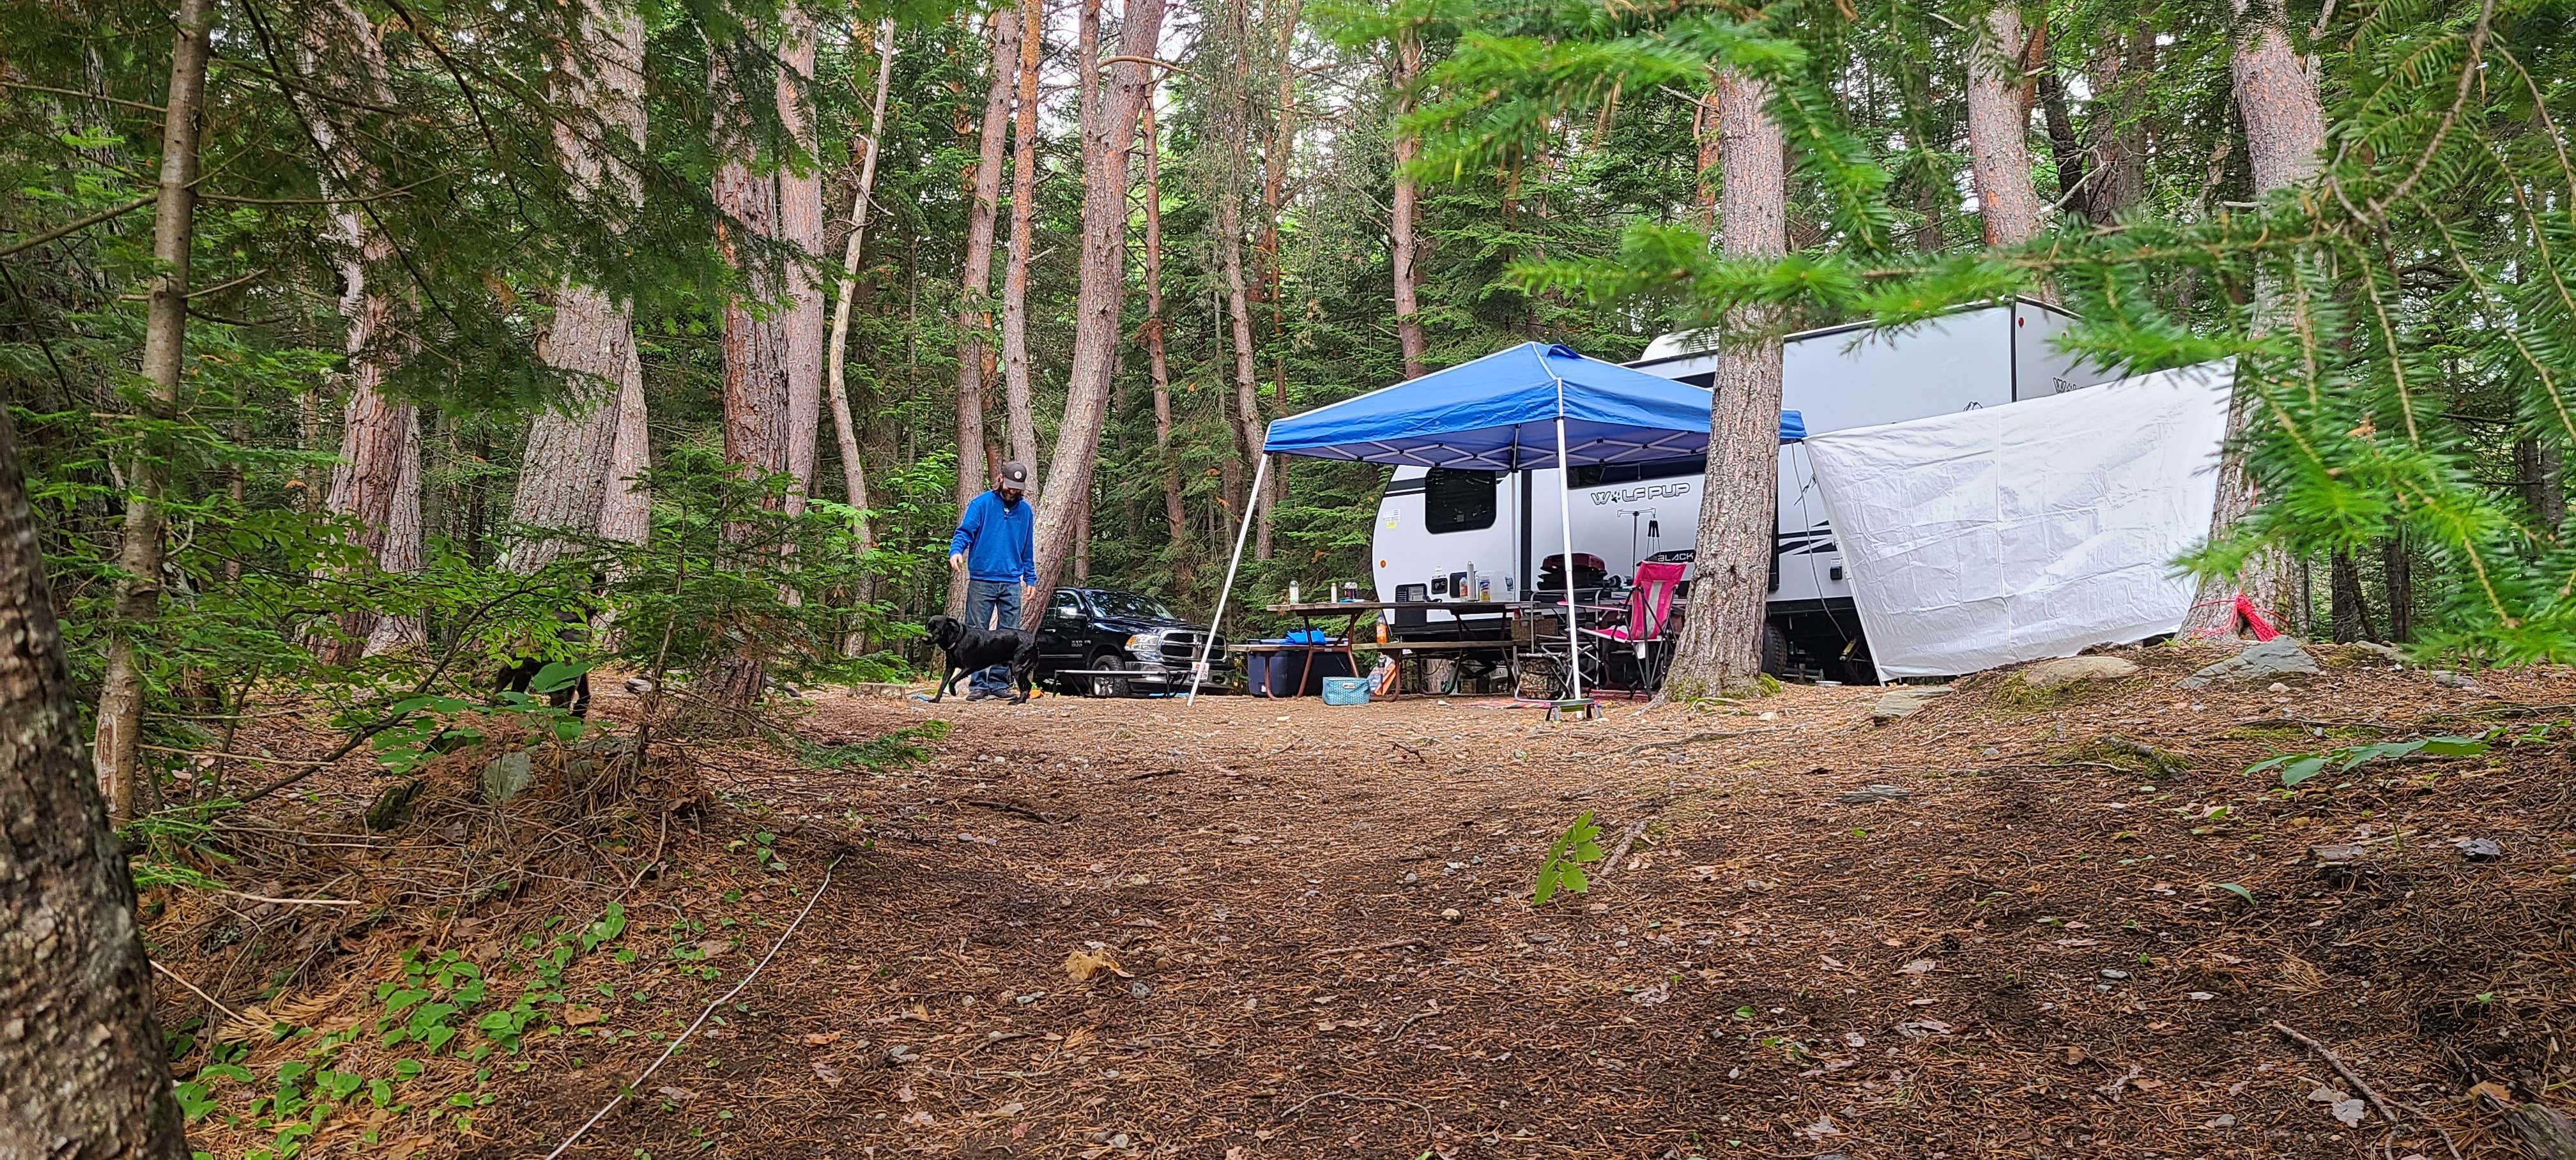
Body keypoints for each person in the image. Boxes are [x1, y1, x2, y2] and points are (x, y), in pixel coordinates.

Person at [948, 461, 1039, 699]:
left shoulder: (1026, 512)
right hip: (982, 579)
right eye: (1009, 486)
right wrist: (956, 551)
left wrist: (1030, 578)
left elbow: (1027, 548)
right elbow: (965, 532)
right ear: (1000, 479)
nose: (1012, 491)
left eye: (1017, 488)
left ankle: (1000, 683)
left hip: (1011, 581)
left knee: (1008, 637)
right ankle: (978, 685)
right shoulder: (981, 504)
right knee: (976, 635)